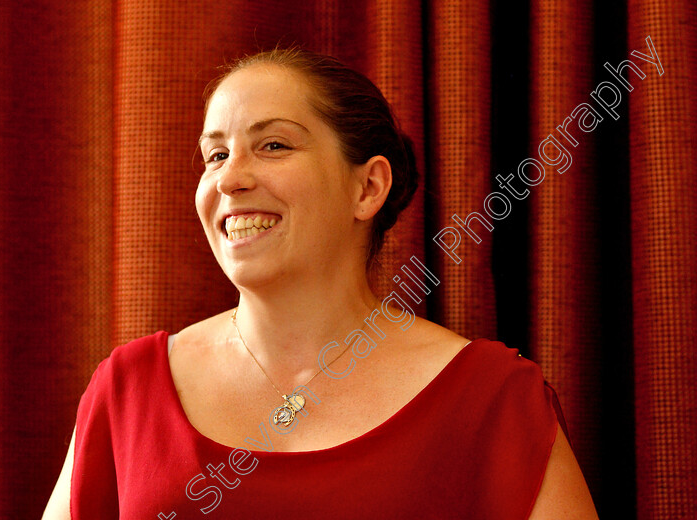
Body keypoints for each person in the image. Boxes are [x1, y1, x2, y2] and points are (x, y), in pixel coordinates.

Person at [43, 47, 598, 519]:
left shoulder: (494, 399)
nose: (230, 178)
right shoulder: (125, 391)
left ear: (368, 187)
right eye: (215, 155)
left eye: (274, 145)